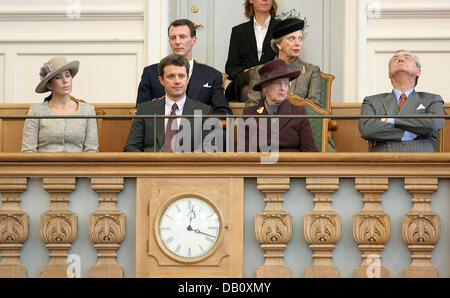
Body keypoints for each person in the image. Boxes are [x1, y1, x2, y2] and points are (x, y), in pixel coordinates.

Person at [136, 19, 232, 116]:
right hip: (160, 129)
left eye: (182, 37)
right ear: (169, 42)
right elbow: (141, 111)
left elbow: (223, 113)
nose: (177, 42)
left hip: (198, 129)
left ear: (194, 40)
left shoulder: (212, 75)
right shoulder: (151, 73)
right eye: (173, 38)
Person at [124, 54, 214, 152]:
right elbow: (131, 148)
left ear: (187, 79)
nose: (177, 81)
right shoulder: (145, 110)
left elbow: (208, 150)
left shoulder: (204, 111)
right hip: (152, 165)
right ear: (161, 80)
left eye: (181, 76)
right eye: (171, 76)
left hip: (186, 166)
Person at [359, 50, 444, 152]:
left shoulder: (432, 99)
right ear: (389, 73)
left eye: (407, 57)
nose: (400, 59)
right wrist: (412, 132)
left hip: (420, 163)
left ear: (418, 71)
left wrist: (391, 120)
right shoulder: (372, 101)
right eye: (395, 59)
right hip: (382, 163)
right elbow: (367, 130)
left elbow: (434, 123)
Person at [21, 57, 98, 152]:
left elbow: (92, 150)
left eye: (67, 75)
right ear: (49, 85)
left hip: (78, 166)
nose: (65, 80)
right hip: (44, 166)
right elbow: (28, 150)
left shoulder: (88, 110)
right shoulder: (36, 111)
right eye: (58, 77)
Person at [240, 59, 318, 152]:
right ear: (264, 87)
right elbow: (242, 153)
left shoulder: (299, 113)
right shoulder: (249, 114)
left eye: (286, 83)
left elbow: (310, 152)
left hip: (291, 164)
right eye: (277, 83)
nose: (283, 88)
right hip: (261, 164)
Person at [246, 17, 322, 108]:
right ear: (278, 44)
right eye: (291, 39)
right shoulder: (260, 70)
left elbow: (314, 109)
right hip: (268, 121)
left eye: (300, 38)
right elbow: (251, 106)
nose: (297, 43)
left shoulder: (311, 71)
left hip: (299, 121)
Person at [225, 0, 278, 102]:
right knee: (252, 76)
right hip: (242, 82)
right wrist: (248, 72)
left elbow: (286, 62)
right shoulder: (238, 31)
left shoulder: (281, 29)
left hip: (272, 82)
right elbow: (230, 68)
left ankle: (253, 118)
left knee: (247, 91)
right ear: (251, 1)